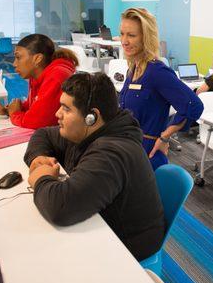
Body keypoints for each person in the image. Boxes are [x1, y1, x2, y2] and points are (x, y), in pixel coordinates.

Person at [24, 73, 165, 261]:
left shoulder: (111, 152)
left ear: (92, 117)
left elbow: (60, 208)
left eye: (66, 109)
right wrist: (38, 158)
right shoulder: (87, 131)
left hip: (125, 248)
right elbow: (43, 135)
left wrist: (41, 179)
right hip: (104, 226)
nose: (57, 114)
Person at [118, 8, 204, 170]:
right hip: (130, 150)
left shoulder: (156, 71)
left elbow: (194, 105)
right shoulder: (133, 69)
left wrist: (165, 137)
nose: (124, 41)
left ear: (146, 38)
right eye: (122, 33)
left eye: (131, 35)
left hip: (148, 155)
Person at [0, 34, 77, 129]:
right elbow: (35, 107)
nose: (14, 64)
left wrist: (15, 113)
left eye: (18, 57)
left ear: (37, 59)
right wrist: (7, 110)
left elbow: (36, 122)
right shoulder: (36, 75)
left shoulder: (56, 76)